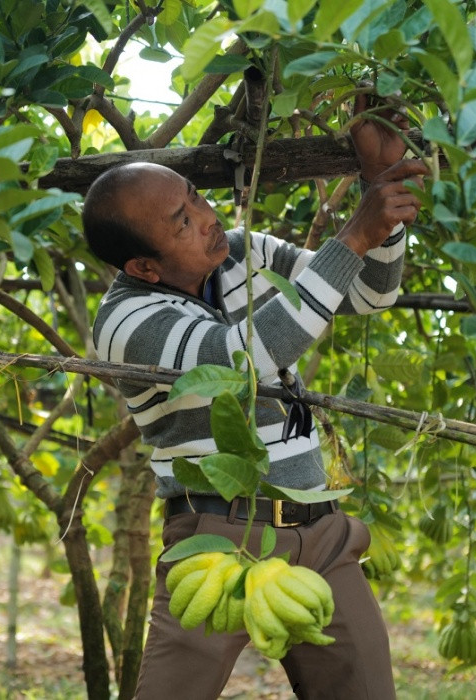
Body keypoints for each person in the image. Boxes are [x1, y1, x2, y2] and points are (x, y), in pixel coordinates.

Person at [83, 91, 428, 700]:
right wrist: (351, 233)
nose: (208, 217)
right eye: (182, 222)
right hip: (216, 539)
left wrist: (382, 191)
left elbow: (366, 295)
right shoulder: (125, 324)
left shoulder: (239, 252)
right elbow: (244, 361)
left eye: (195, 197)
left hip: (321, 535)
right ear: (142, 266)